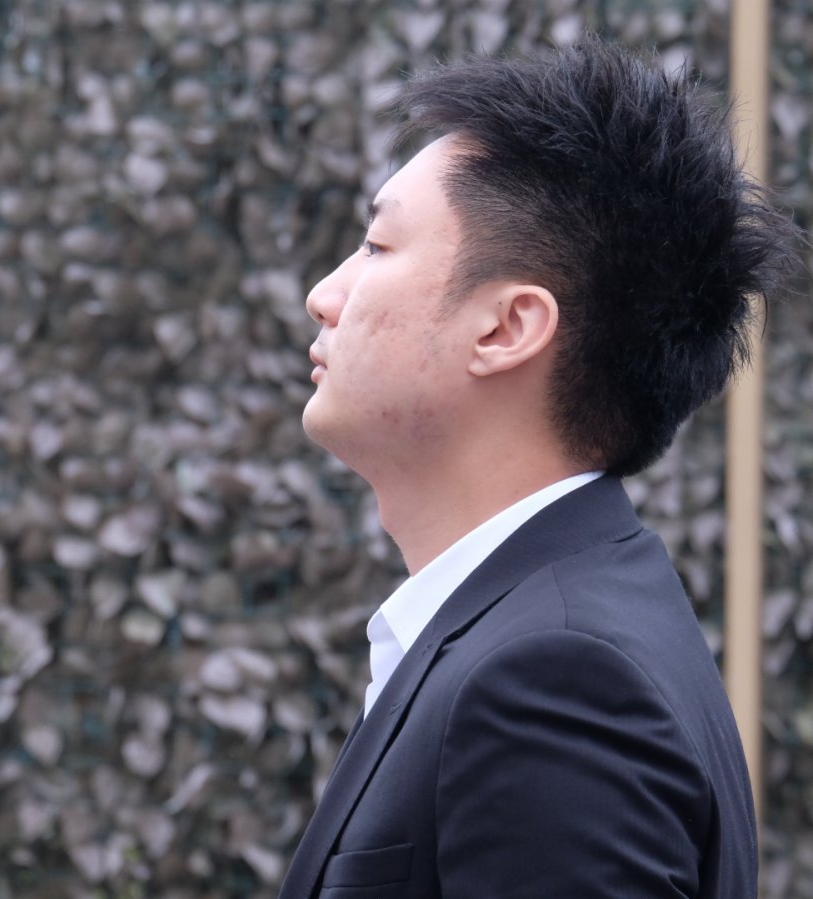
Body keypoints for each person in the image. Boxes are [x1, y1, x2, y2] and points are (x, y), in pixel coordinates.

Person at [277, 38, 799, 899]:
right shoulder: (554, 630)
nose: (324, 295)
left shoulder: (556, 682)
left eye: (375, 245)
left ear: (507, 327)